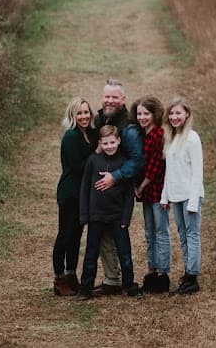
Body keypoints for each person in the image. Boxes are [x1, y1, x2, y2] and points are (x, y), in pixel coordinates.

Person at [90, 79, 144, 295]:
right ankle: (111, 279)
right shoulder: (100, 119)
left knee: (119, 235)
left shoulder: (129, 129)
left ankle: (125, 281)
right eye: (107, 96)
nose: (110, 100)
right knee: (103, 235)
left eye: (114, 97)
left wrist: (115, 176)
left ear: (123, 100)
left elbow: (137, 161)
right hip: (102, 188)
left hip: (120, 189)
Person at [76, 125, 141, 300]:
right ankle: (85, 288)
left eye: (113, 142)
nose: (110, 146)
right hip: (96, 216)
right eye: (106, 143)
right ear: (100, 143)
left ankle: (129, 286)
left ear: (119, 141)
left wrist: (126, 218)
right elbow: (85, 188)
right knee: (91, 253)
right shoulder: (93, 160)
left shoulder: (123, 164)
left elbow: (129, 195)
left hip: (117, 216)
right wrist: (84, 215)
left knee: (124, 253)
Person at [52, 97, 98, 296]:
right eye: (79, 113)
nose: (84, 116)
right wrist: (96, 152)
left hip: (83, 194)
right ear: (72, 115)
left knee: (77, 236)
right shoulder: (71, 137)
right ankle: (59, 278)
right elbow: (78, 167)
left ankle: (72, 275)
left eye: (86, 112)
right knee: (65, 235)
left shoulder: (90, 133)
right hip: (70, 193)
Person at [160, 97, 204, 295]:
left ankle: (192, 277)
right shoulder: (171, 138)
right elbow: (169, 171)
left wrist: (193, 202)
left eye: (178, 113)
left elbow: (198, 173)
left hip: (190, 196)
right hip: (175, 195)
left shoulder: (192, 138)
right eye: (171, 113)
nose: (174, 117)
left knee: (192, 234)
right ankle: (188, 271)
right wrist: (165, 196)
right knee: (183, 236)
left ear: (187, 115)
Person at [132, 96, 171, 294]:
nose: (142, 117)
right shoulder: (142, 134)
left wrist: (141, 185)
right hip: (146, 192)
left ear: (155, 114)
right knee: (149, 232)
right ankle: (151, 270)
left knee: (161, 232)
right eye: (139, 113)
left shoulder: (158, 134)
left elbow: (156, 166)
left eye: (146, 114)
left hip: (157, 190)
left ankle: (163, 274)